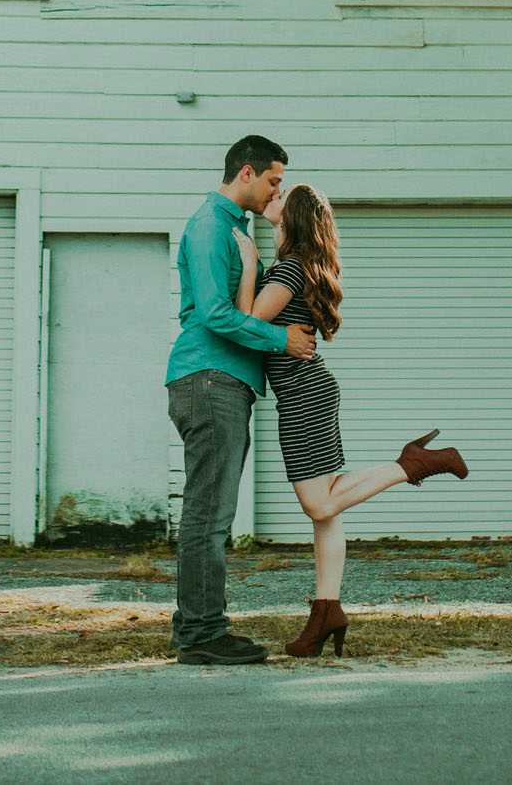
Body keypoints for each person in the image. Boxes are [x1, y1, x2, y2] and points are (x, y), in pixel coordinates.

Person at [231, 182, 469, 657]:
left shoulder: (290, 268)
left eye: (281, 197)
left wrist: (251, 266)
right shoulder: (298, 264)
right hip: (310, 391)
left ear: (293, 215)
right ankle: (326, 612)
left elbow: (247, 325)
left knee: (319, 505)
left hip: (303, 395)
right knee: (329, 510)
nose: (270, 197)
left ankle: (414, 463)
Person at [164, 135, 315, 665]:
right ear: (246, 173)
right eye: (274, 181)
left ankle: (193, 628)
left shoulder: (235, 228)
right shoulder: (209, 226)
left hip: (223, 382)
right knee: (209, 515)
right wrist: (284, 340)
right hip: (209, 379)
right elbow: (214, 314)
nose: (278, 191)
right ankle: (205, 635)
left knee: (211, 512)